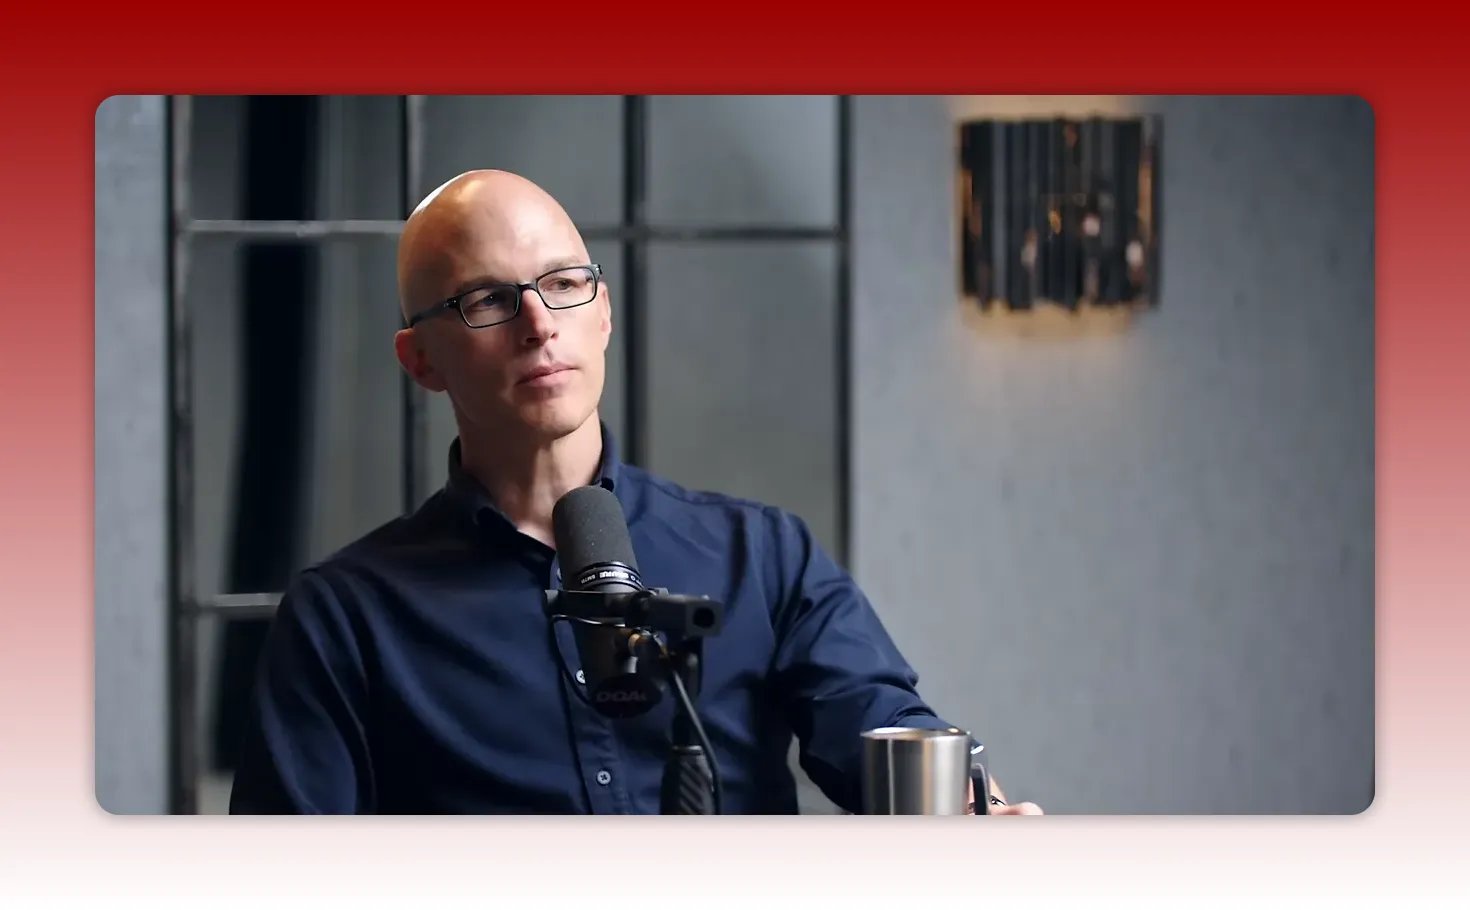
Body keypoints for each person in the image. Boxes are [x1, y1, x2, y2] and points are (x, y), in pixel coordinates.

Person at [228, 169, 1043, 816]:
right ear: (420, 362)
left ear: (603, 311)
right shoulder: (344, 619)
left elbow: (888, 737)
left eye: (564, 284)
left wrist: (979, 814)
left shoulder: (762, 555)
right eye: (487, 300)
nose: (539, 323)